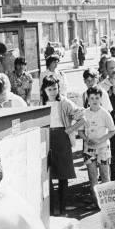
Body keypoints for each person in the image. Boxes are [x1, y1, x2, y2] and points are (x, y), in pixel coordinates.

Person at [41, 75, 85, 215]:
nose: (53, 91)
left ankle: (63, 206)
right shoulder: (41, 104)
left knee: (63, 174)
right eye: (50, 89)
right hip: (46, 137)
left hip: (61, 137)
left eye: (55, 88)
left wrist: (70, 130)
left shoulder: (64, 102)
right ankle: (51, 208)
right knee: (48, 173)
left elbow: (82, 118)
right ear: (44, 90)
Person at [80, 87, 115, 204]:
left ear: (101, 99)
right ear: (88, 99)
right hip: (89, 149)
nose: (94, 100)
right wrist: (86, 139)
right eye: (92, 98)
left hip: (103, 149)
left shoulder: (105, 113)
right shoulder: (84, 113)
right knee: (92, 176)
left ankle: (108, 203)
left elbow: (112, 130)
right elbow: (80, 130)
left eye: (97, 97)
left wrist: (100, 140)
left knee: (105, 175)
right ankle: (97, 202)